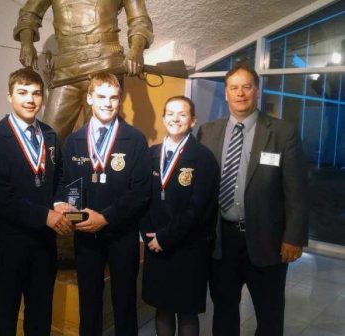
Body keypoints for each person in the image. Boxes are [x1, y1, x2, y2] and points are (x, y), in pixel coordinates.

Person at [197, 65, 308, 335]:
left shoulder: (282, 132)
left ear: (256, 91)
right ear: (225, 94)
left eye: (247, 87)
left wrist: (293, 237)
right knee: (223, 312)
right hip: (222, 241)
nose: (240, 93)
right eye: (234, 87)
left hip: (267, 240)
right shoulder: (207, 132)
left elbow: (297, 190)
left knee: (269, 316)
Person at [0, 67, 73, 336]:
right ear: (10, 96)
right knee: (5, 315)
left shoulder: (50, 136)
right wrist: (45, 215)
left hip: (44, 243)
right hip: (8, 244)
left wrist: (59, 202)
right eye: (22, 93)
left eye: (36, 93)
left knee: (40, 313)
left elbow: (61, 178)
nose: (30, 100)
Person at [61, 72, 151, 335]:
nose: (107, 103)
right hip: (86, 236)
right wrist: (76, 216)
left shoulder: (134, 139)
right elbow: (69, 185)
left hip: (121, 235)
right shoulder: (74, 141)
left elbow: (140, 192)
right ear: (89, 97)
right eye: (101, 96)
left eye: (113, 97)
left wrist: (107, 217)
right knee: (88, 304)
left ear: (120, 99)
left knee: (124, 304)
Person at [14, 0, 154, 141]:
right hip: (66, 69)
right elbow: (29, 14)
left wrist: (136, 51)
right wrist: (26, 43)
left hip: (105, 65)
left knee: (98, 137)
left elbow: (140, 20)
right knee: (49, 137)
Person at [141, 96, 219, 336]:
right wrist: (147, 235)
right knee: (162, 309)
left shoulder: (203, 158)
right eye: (171, 113)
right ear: (164, 118)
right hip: (156, 246)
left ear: (193, 120)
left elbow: (198, 209)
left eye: (183, 114)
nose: (176, 118)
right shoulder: (151, 154)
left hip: (188, 247)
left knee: (186, 312)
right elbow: (141, 198)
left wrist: (165, 237)